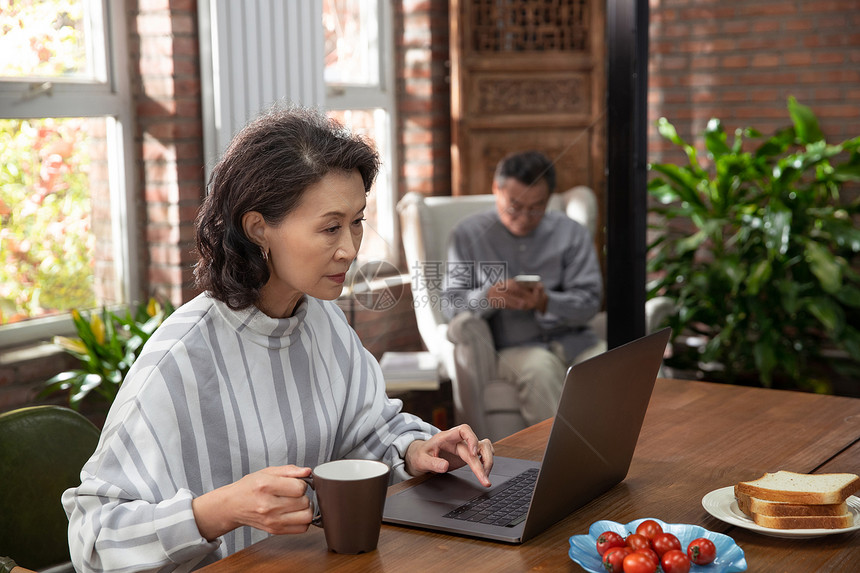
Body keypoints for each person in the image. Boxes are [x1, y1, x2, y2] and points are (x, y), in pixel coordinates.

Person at [63, 105, 494, 572]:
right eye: (330, 227)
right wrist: (220, 510)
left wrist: (417, 451)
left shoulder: (321, 321)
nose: (351, 248)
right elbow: (93, 536)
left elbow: (367, 431)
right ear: (258, 229)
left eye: (357, 221)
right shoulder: (181, 358)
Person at [442, 150, 603, 425]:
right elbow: (449, 305)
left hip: (575, 341)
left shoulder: (572, 233)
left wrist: (546, 303)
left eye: (537, 207)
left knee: (618, 365)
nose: (525, 217)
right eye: (514, 205)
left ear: (550, 198)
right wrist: (488, 297)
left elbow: (590, 300)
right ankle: (558, 466)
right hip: (514, 349)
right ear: (496, 189)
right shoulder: (467, 234)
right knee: (541, 368)